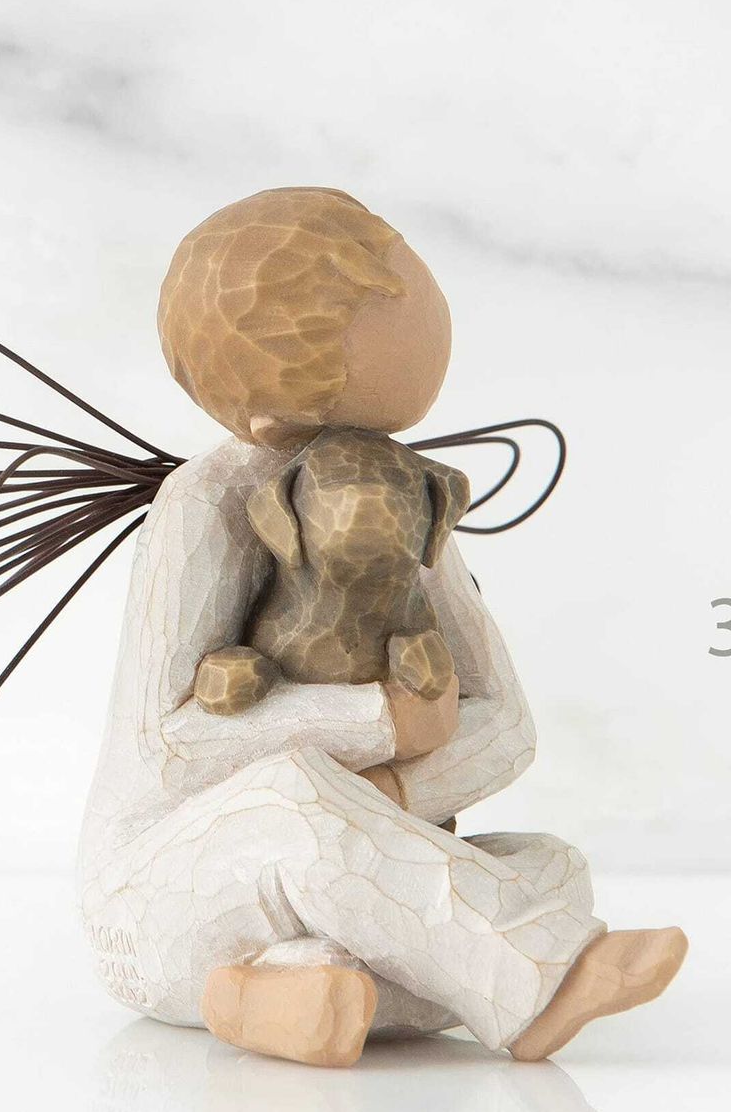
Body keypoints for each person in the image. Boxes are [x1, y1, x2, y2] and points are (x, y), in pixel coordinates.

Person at [78, 188, 686, 1067]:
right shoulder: (204, 507)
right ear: (271, 411)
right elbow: (169, 748)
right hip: (161, 897)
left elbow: (507, 728)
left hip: (335, 866)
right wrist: (376, 725)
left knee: (550, 865)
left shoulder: (410, 496)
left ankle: (281, 991)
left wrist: (391, 799)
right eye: (383, 297)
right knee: (296, 800)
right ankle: (540, 981)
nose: (424, 306)